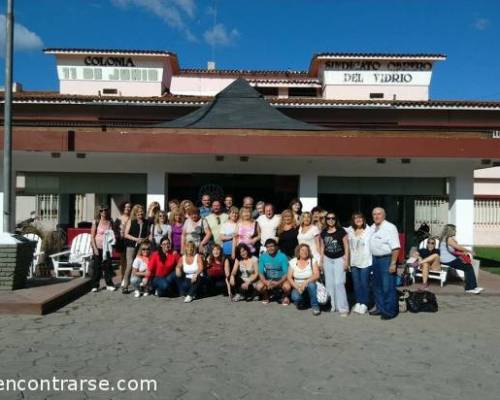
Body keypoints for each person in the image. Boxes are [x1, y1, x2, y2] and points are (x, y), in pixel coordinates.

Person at [369, 207, 400, 320]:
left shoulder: (390, 227)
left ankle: (389, 311)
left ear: (384, 215)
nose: (376, 216)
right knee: (377, 286)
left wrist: (393, 263)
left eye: (379, 214)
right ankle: (380, 308)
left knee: (388, 287)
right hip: (375, 260)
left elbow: (396, 247)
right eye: (374, 214)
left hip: (386, 260)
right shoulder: (372, 227)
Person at [319, 211, 349, 316]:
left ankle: (343, 308)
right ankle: (331, 306)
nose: (330, 220)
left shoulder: (342, 231)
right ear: (326, 220)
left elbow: (346, 247)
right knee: (329, 284)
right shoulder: (323, 232)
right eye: (328, 218)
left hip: (339, 258)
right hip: (327, 259)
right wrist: (321, 261)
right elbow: (322, 247)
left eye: (333, 218)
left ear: (336, 220)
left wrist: (347, 261)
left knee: (339, 283)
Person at [439, 224, 483, 294]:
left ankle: (473, 287)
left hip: (446, 259)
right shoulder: (448, 239)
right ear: (450, 231)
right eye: (454, 230)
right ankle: (470, 288)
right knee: (468, 267)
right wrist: (470, 251)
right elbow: (458, 247)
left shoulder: (444, 238)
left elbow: (451, 250)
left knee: (468, 266)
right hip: (448, 260)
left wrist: (462, 253)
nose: (456, 231)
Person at [346, 212, 372, 314]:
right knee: (356, 284)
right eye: (356, 218)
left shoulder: (369, 230)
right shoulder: (350, 230)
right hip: (354, 261)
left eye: (360, 218)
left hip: (365, 261)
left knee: (364, 283)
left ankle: (364, 303)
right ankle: (358, 302)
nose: (358, 220)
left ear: (363, 219)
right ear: (353, 220)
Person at [122, 204, 149, 294]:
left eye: (141, 211)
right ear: (135, 213)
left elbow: (148, 234)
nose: (140, 213)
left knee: (140, 264)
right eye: (138, 212)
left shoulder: (146, 222)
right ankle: (125, 285)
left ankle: (137, 285)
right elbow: (126, 234)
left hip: (141, 246)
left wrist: (144, 239)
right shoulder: (131, 221)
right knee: (130, 264)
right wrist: (136, 239)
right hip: (131, 245)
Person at [288, 244, 321, 315]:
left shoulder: (312, 260)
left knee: (311, 285)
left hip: (310, 284)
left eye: (306, 250)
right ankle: (305, 300)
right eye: (302, 250)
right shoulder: (293, 261)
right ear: (298, 252)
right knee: (295, 298)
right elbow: (289, 277)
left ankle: (315, 306)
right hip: (297, 285)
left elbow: (317, 274)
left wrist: (306, 282)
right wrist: (297, 287)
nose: (305, 252)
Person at [256, 239, 291, 305]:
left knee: (287, 287)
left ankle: (285, 296)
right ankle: (266, 295)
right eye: (268, 247)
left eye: (272, 246)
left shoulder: (282, 256)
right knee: (259, 286)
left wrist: (278, 282)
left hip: (281, 279)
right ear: (266, 248)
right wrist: (265, 282)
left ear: (276, 247)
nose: (270, 248)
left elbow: (286, 273)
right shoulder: (263, 257)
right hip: (268, 279)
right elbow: (260, 272)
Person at [90, 205, 116, 292]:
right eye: (101, 210)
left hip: (107, 247)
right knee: (97, 267)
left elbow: (113, 233)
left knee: (107, 266)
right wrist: (95, 248)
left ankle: (109, 284)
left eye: (105, 210)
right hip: (98, 246)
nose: (103, 212)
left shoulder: (110, 221)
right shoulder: (96, 221)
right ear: (99, 212)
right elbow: (92, 236)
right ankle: (95, 285)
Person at [115, 200, 131, 283]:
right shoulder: (118, 219)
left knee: (130, 261)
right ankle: (123, 279)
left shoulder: (132, 218)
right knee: (123, 262)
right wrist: (119, 234)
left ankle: (128, 278)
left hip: (131, 242)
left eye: (129, 207)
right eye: (126, 207)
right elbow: (115, 231)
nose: (127, 208)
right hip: (122, 242)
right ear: (123, 208)